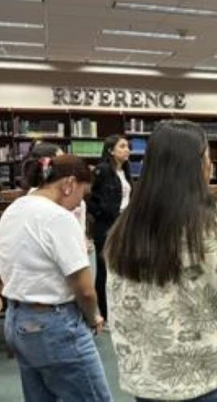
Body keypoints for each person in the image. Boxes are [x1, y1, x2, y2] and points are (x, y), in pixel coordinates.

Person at [104, 120, 217, 402]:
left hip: (151, 380)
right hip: (216, 378)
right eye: (207, 156)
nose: (212, 164)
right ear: (198, 165)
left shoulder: (125, 228)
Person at [0, 154, 111, 401]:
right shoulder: (58, 218)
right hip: (54, 323)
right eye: (83, 192)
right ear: (69, 183)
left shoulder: (14, 208)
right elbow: (86, 289)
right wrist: (93, 318)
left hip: (17, 319)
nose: (81, 202)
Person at [87, 135, 131, 323]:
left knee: (121, 269)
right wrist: (103, 214)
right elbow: (90, 198)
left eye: (128, 146)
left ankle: (119, 309)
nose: (127, 149)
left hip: (124, 225)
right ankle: (104, 313)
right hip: (106, 225)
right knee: (105, 270)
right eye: (122, 146)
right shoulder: (102, 170)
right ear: (111, 150)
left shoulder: (125, 171)